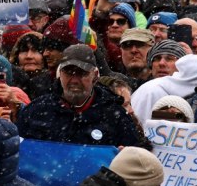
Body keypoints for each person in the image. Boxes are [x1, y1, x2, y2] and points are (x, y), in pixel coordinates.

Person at [17, 45, 145, 147]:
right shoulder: (37, 111)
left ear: (95, 75)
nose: (74, 80)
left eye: (81, 73)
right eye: (68, 73)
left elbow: (135, 159)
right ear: (60, 74)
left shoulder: (115, 115)